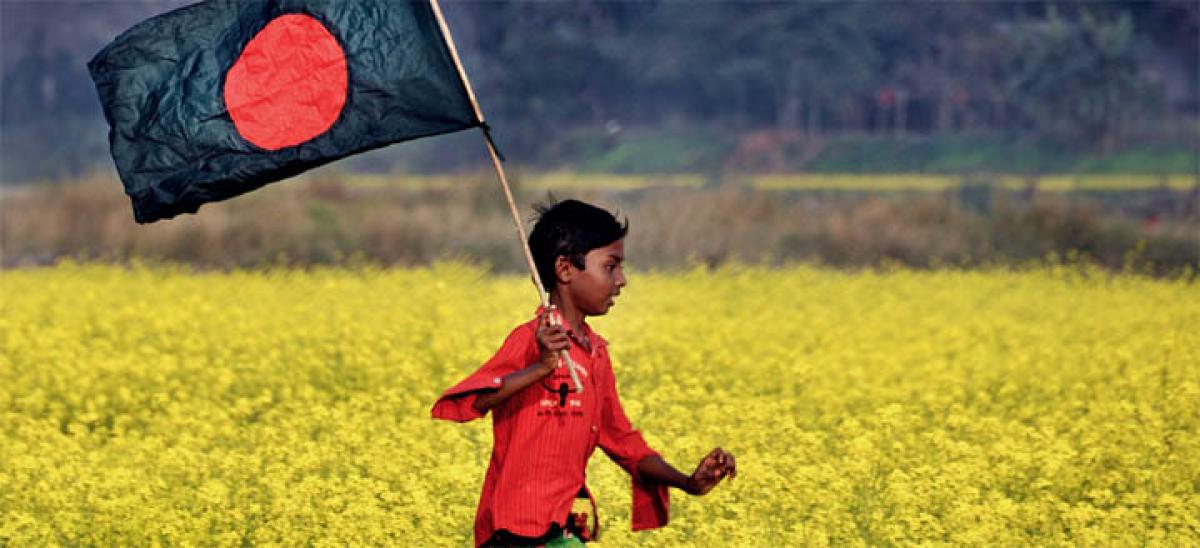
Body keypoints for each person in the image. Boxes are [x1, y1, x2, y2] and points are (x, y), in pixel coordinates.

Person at [431, 199, 737, 547]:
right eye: (611, 266)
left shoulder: (596, 354)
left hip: (564, 525)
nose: (621, 280)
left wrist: (687, 482)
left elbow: (624, 442)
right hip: (515, 529)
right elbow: (475, 399)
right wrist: (541, 367)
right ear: (564, 269)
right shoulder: (531, 341)